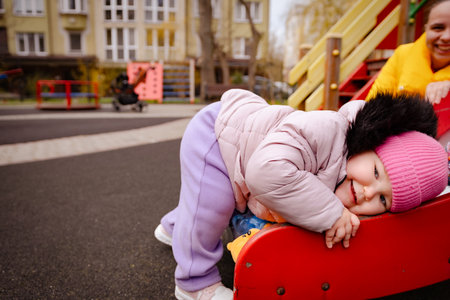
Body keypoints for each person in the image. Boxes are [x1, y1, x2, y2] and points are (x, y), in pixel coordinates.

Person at [154, 89, 448, 300]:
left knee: (203, 200)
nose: (368, 192)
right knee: (213, 205)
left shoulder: (349, 171)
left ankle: (176, 225)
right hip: (218, 137)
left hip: (246, 153)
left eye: (383, 200)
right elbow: (264, 172)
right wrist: (330, 212)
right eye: (375, 172)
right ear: (369, 143)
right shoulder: (327, 130)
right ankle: (195, 283)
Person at [366, 0, 450, 143]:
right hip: (399, 142)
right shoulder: (403, 54)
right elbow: (373, 105)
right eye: (438, 28)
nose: (446, 37)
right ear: (426, 29)